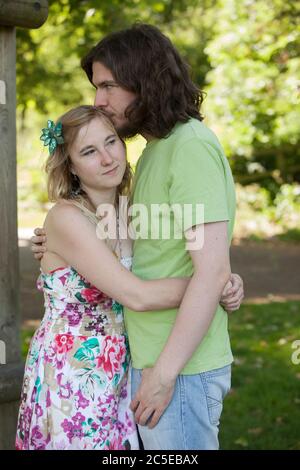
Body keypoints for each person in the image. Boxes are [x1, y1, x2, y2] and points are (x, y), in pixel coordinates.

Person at [31, 24, 244, 450]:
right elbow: (150, 254)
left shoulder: (189, 147)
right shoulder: (150, 156)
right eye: (96, 88)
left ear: (144, 80)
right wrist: (55, 242)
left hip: (176, 368)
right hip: (126, 369)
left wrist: (217, 279)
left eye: (108, 85)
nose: (100, 101)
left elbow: (209, 265)